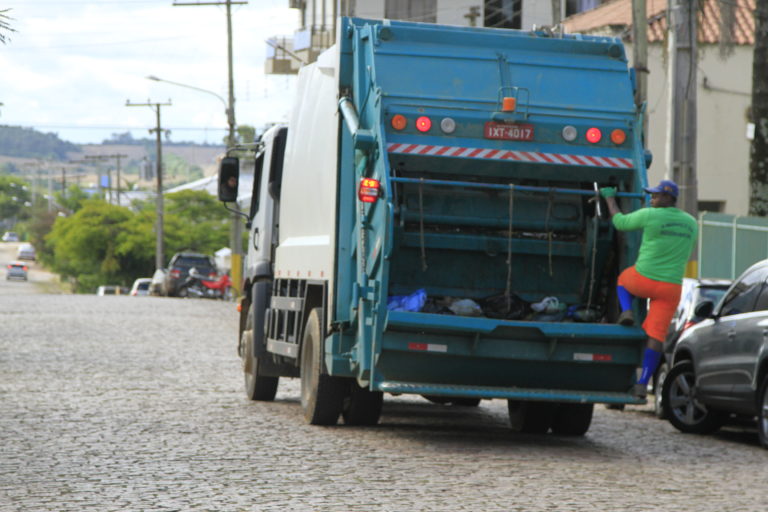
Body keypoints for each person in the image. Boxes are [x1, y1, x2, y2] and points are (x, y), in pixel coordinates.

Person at [600, 179, 697, 397]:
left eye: (655, 195)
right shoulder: (691, 223)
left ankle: (626, 311)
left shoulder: (650, 214)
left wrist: (609, 198)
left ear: (668, 198)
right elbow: (689, 248)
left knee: (623, 280)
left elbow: (621, 223)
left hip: (643, 279)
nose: (651, 198)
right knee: (656, 337)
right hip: (670, 287)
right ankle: (642, 383)